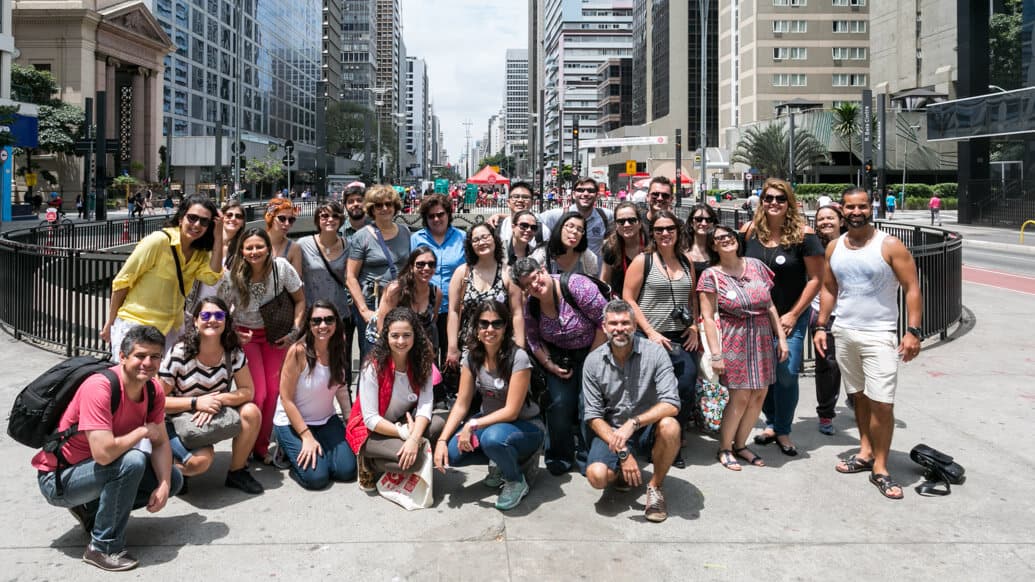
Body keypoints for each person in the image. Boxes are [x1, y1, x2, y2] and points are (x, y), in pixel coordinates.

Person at [33, 326, 182, 572]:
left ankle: (90, 510)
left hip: (95, 471)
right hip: (59, 478)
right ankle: (103, 547)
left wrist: (164, 483)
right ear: (123, 357)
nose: (147, 362)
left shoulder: (153, 390)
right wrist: (142, 431)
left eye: (155, 356)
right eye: (140, 355)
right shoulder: (99, 387)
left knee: (173, 478)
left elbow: (161, 442)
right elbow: (104, 453)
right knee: (131, 461)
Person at [814, 188, 923, 500]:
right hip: (845, 331)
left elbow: (911, 287)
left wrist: (913, 330)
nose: (857, 211)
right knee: (859, 397)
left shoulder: (888, 244)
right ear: (842, 210)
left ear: (871, 207)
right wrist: (822, 325)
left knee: (882, 403)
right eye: (851, 206)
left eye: (862, 206)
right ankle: (864, 452)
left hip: (880, 334)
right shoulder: (834, 247)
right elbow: (829, 288)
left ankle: (882, 467)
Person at [434, 300, 545, 511]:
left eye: (497, 324)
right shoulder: (472, 358)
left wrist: (472, 424)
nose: (489, 329)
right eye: (483, 324)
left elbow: (512, 412)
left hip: (526, 426)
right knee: (452, 453)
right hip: (489, 425)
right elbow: (461, 404)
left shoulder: (518, 357)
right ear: (476, 328)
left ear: (506, 327)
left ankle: (515, 480)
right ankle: (500, 464)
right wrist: (441, 439)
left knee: (493, 439)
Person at [743, 178, 824, 457]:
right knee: (765, 374)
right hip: (756, 319)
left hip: (791, 317)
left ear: (789, 202)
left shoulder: (804, 235)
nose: (773, 203)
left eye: (780, 198)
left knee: (787, 373)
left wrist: (793, 314)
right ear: (761, 201)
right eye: (768, 198)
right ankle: (773, 422)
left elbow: (815, 279)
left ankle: (784, 428)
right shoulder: (750, 231)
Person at [697, 225, 788, 471]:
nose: (726, 240)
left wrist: (780, 337)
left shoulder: (756, 266)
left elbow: (769, 305)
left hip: (760, 337)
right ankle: (725, 447)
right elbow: (707, 317)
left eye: (729, 236)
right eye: (719, 238)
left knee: (759, 394)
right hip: (733, 336)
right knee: (740, 396)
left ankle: (741, 444)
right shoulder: (710, 275)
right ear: (713, 245)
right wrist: (716, 354)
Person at [582, 299, 681, 523]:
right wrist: (623, 453)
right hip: (613, 430)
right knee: (597, 476)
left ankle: (655, 486)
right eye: (613, 323)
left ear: (635, 326)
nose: (619, 329)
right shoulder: (593, 361)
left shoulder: (655, 353)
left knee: (670, 426)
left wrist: (634, 423)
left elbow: (671, 403)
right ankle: (621, 473)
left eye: (625, 323)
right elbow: (593, 416)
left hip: (646, 426)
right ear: (605, 327)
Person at [158, 297, 263, 494]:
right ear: (196, 321)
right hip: (179, 417)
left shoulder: (233, 352)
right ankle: (169, 468)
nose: (212, 320)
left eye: (218, 315)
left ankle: (237, 471)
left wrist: (218, 400)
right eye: (205, 315)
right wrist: (196, 402)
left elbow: (248, 391)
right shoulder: (179, 353)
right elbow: (158, 401)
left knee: (251, 412)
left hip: (215, 409)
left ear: (226, 320)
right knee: (200, 462)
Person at [217, 227, 305, 461]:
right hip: (246, 336)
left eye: (259, 246)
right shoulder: (232, 274)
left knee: (275, 392)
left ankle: (261, 447)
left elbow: (300, 300)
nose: (254, 251)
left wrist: (295, 331)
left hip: (276, 335)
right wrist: (233, 333)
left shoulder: (282, 268)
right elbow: (221, 309)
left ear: (268, 248)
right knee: (258, 394)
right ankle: (246, 445)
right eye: (249, 247)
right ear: (242, 251)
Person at [514, 257, 608, 475]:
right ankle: (559, 456)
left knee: (588, 404)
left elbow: (604, 320)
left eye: (535, 278)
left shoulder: (576, 286)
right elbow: (533, 339)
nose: (534, 286)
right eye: (527, 285)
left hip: (593, 348)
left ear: (543, 270)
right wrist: (549, 365)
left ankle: (590, 458)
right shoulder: (532, 306)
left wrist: (591, 361)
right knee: (558, 404)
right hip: (558, 357)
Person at [101, 194, 224, 361]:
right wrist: (111, 322)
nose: (197, 225)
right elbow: (122, 282)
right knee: (132, 382)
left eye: (204, 222)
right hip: (138, 325)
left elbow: (211, 278)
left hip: (171, 330)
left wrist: (218, 239)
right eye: (192, 218)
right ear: (181, 218)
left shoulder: (200, 253)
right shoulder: (158, 241)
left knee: (161, 386)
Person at [622, 211, 698, 468]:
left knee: (685, 387)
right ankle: (648, 441)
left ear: (678, 231)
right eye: (659, 229)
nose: (665, 234)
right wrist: (651, 332)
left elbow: (693, 298)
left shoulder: (686, 261)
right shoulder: (643, 261)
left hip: (680, 337)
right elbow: (628, 299)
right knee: (649, 394)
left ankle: (672, 442)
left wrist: (695, 326)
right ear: (652, 233)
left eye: (670, 229)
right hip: (649, 337)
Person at [345, 307, 444, 490]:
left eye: (407, 335)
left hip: (401, 423)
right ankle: (368, 462)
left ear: (415, 336)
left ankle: (404, 452)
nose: (401, 341)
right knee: (415, 463)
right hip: (371, 430)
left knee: (438, 423)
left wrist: (413, 439)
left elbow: (425, 406)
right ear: (386, 337)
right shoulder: (372, 367)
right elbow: (371, 419)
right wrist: (405, 434)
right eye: (395, 335)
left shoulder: (423, 364)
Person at [273, 301, 357, 489]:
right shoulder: (298, 352)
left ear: (336, 323)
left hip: (325, 418)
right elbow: (286, 399)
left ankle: (319, 450)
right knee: (317, 478)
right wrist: (306, 436)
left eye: (329, 320)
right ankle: (287, 450)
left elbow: (341, 388)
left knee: (347, 470)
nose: (323, 326)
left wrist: (350, 421)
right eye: (316, 321)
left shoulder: (338, 347)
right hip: (292, 422)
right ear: (309, 325)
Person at [446, 223, 525, 375]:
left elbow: (517, 313)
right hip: (469, 347)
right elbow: (454, 311)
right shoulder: (462, 273)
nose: (481, 242)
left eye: (485, 237)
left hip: (501, 346)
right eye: (476, 240)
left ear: (494, 239)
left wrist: (520, 348)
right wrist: (452, 347)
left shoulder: (508, 273)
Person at [346, 184, 411, 363]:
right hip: (372, 302)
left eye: (388, 204)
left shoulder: (405, 232)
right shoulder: (362, 236)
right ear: (371, 209)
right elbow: (351, 276)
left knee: (399, 353)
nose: (384, 209)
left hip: (399, 301)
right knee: (372, 356)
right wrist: (364, 310)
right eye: (378, 205)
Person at [409, 194, 466, 362]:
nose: (436, 219)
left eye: (440, 214)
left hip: (454, 309)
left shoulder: (462, 238)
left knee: (452, 360)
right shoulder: (416, 239)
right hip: (425, 310)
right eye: (431, 216)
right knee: (427, 361)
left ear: (448, 214)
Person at [812, 205, 847, 435]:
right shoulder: (813, 245)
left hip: (850, 312)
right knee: (828, 365)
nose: (826, 222)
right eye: (821, 218)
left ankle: (856, 395)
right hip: (821, 313)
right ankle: (826, 413)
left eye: (830, 218)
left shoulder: (852, 243)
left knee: (855, 361)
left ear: (841, 221)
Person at [374, 246, 442, 350]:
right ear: (411, 267)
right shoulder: (395, 290)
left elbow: (433, 321)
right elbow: (382, 326)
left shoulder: (436, 293)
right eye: (420, 264)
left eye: (431, 264)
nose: (426, 268)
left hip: (424, 351)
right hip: (397, 348)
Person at [538, 177, 613, 261]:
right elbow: (531, 221)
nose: (585, 194)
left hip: (594, 272)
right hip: (564, 271)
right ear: (573, 194)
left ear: (597, 195)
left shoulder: (606, 216)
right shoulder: (558, 215)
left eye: (590, 191)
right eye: (580, 190)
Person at [531, 211, 600, 277]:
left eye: (579, 229)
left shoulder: (587, 256)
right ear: (560, 228)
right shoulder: (542, 253)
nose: (575, 231)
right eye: (570, 226)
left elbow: (594, 283)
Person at [600, 201, 647, 295]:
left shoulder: (651, 245)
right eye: (621, 221)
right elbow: (605, 280)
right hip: (621, 304)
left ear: (640, 223)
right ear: (616, 225)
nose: (626, 225)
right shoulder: (610, 248)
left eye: (632, 220)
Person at [496, 181, 542, 249]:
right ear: (508, 202)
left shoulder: (542, 230)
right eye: (516, 197)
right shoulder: (497, 228)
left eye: (525, 197)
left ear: (532, 203)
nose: (520, 200)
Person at [265, 197, 304, 277]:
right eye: (282, 218)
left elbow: (297, 283)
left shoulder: (294, 248)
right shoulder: (256, 242)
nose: (287, 224)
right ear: (271, 218)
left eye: (291, 220)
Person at [686, 203, 719, 276]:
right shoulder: (681, 249)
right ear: (691, 222)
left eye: (709, 220)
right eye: (699, 219)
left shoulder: (720, 250)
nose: (704, 223)